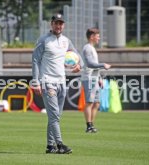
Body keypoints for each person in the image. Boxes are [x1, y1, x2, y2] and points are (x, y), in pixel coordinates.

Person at [32, 14, 82, 154]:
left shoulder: (66, 41)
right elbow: (35, 61)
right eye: (56, 23)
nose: (58, 26)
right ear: (51, 24)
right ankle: (60, 145)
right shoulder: (43, 40)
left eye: (61, 23)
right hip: (48, 82)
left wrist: (79, 65)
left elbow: (76, 55)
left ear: (63, 25)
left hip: (61, 82)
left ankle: (50, 146)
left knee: (55, 116)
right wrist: (35, 82)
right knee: (54, 115)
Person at [81, 28, 111, 133]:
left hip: (94, 78)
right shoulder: (87, 48)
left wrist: (99, 78)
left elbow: (93, 66)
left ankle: (91, 125)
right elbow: (90, 64)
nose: (99, 38)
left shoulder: (92, 48)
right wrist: (103, 65)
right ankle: (88, 126)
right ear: (92, 36)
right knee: (89, 102)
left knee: (97, 103)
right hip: (88, 79)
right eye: (97, 35)